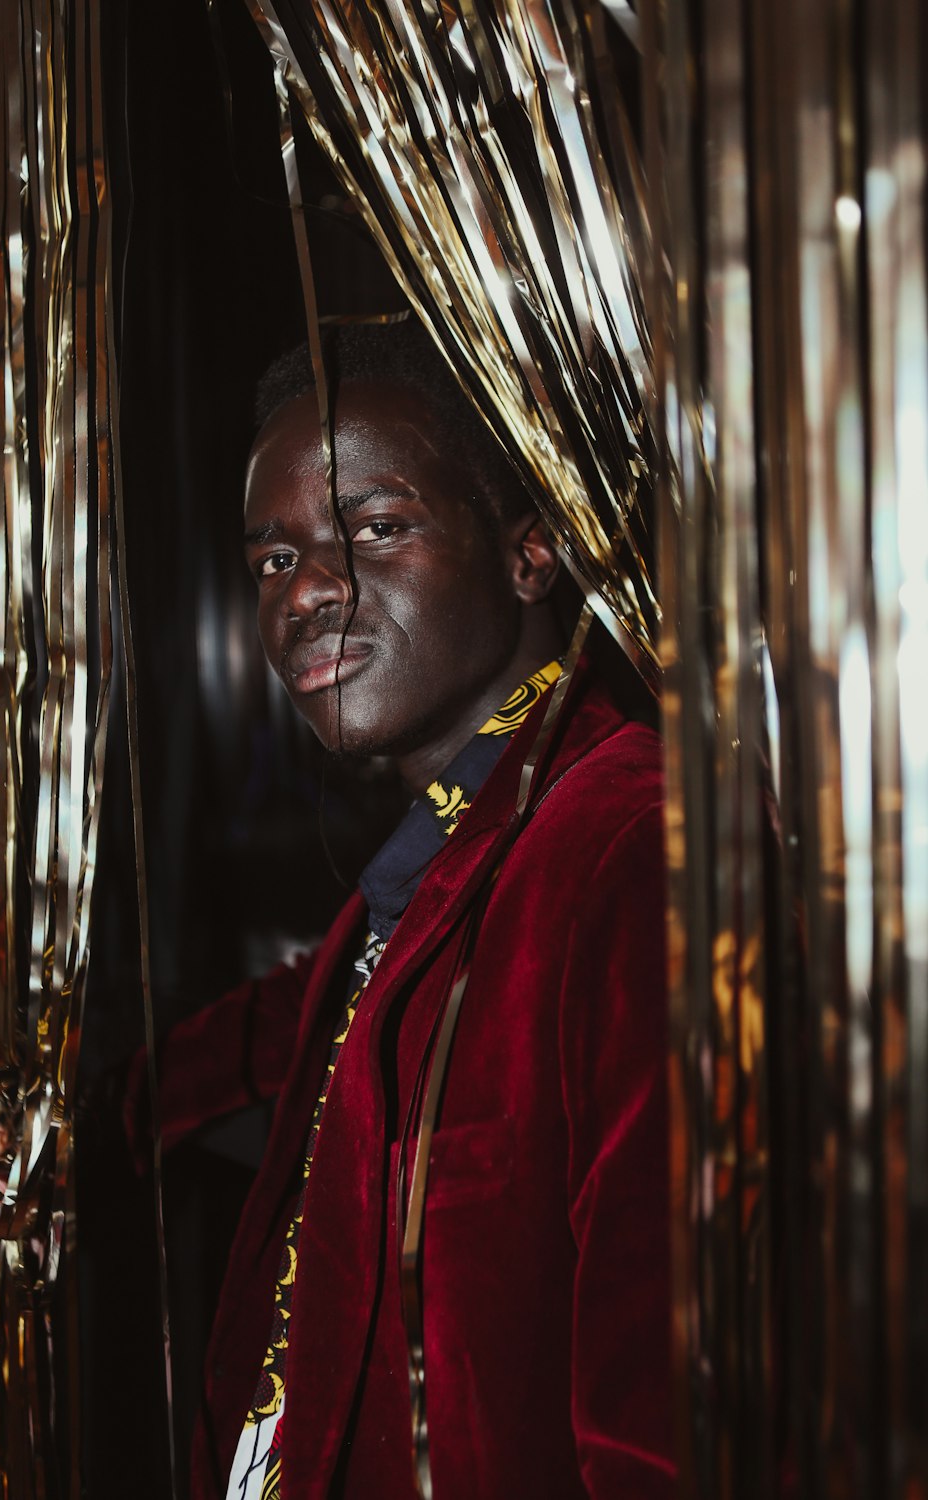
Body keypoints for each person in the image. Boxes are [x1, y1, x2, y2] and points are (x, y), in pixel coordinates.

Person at [140, 321, 675, 1499]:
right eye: (274, 557)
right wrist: (31, 1136)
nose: (308, 591)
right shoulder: (437, 856)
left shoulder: (624, 846)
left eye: (376, 528)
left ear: (529, 552)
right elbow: (272, 1033)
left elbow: (668, 1423)